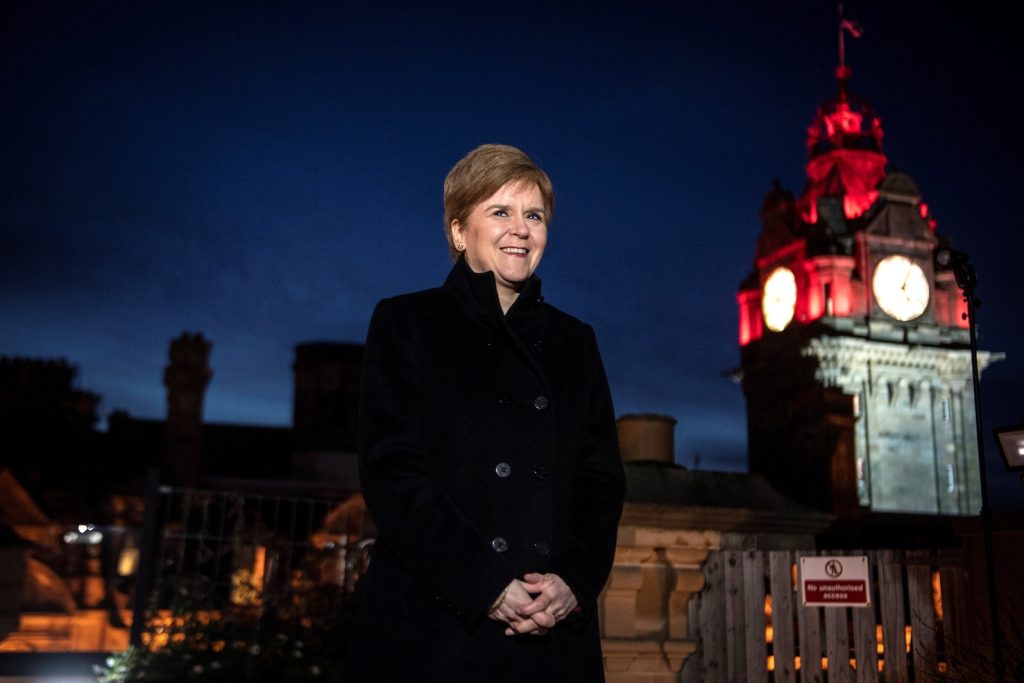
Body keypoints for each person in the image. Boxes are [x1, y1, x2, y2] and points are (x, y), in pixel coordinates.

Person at [345, 144, 626, 682]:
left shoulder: (575, 342)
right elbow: (392, 474)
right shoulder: (407, 323)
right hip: (433, 630)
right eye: (501, 211)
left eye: (534, 216)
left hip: (550, 634)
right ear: (458, 231)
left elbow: (601, 481)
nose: (521, 229)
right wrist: (486, 584)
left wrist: (573, 582)